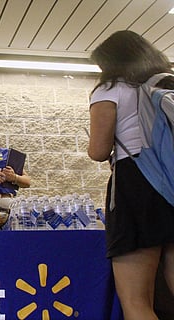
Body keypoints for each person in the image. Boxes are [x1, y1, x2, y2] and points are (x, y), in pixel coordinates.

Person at [88, 30, 174, 320]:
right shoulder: (166, 84)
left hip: (135, 186)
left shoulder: (109, 89)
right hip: (172, 185)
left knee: (137, 303)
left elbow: (99, 150)